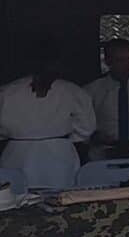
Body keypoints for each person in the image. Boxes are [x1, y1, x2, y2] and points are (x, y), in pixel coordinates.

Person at [0, 39, 94, 192]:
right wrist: (59, 137)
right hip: (59, 157)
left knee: (18, 200)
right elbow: (86, 128)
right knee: (61, 200)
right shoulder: (73, 91)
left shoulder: (6, 92)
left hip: (17, 155)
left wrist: (19, 135)